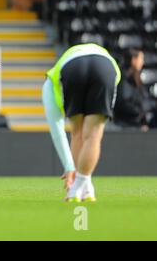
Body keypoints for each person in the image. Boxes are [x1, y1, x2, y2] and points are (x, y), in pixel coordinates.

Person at [42, 43, 121, 202]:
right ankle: (85, 184)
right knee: (93, 135)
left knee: (77, 133)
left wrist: (69, 165)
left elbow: (57, 129)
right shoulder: (52, 81)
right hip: (106, 66)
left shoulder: (50, 83)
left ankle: (78, 188)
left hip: (72, 68)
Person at [114, 49, 153, 131]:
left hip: (137, 124)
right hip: (126, 126)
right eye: (141, 59)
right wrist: (140, 113)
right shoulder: (124, 79)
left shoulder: (136, 79)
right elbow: (124, 103)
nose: (142, 62)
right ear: (133, 60)